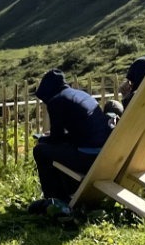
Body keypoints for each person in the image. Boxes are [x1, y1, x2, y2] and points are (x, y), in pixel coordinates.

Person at [30, 70, 112, 214]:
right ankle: (66, 194)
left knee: (41, 151)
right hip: (104, 155)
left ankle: (54, 200)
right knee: (59, 148)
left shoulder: (57, 100)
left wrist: (43, 138)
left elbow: (56, 139)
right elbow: (84, 130)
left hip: (88, 158)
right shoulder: (82, 95)